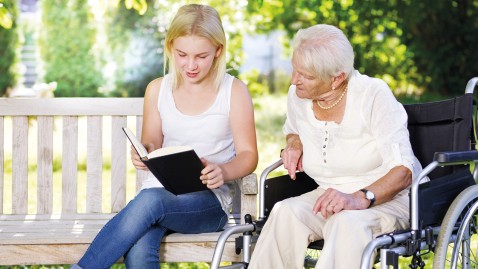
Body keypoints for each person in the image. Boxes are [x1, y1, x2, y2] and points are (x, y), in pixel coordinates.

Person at [72, 4, 258, 269]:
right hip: (158, 195)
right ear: (171, 47)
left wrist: (224, 171)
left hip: (208, 203)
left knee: (150, 201)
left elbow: (249, 155)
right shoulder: (157, 89)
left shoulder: (234, 91)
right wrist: (142, 152)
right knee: (138, 251)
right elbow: (152, 144)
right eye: (182, 54)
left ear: (218, 51)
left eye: (201, 56)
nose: (190, 65)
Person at [248, 24, 422, 269]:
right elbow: (293, 129)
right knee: (283, 213)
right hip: (329, 194)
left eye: (306, 76)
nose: (293, 80)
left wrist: (359, 198)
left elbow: (403, 171)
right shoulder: (298, 97)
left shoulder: (372, 95)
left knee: (347, 223)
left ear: (337, 78)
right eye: (294, 69)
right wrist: (294, 143)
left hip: (389, 199)